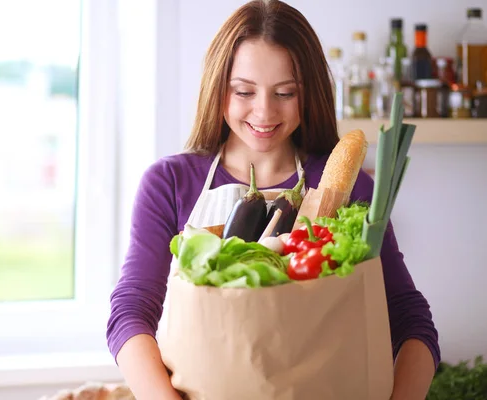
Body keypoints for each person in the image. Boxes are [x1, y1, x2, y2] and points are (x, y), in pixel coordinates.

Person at [106, 1, 440, 399]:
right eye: (244, 91)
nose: (264, 111)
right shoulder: (169, 183)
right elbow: (131, 312)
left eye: (285, 92)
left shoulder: (348, 190)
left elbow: (409, 316)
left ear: (309, 94)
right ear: (218, 88)